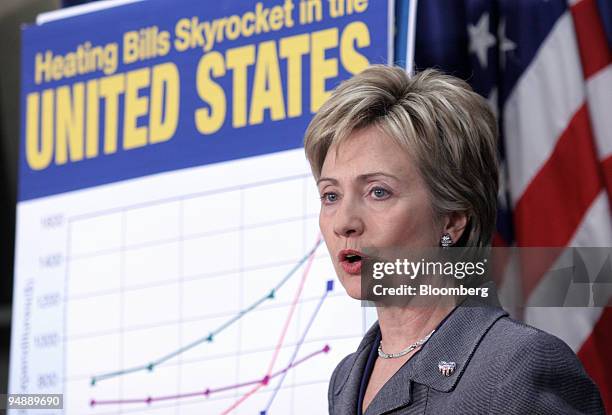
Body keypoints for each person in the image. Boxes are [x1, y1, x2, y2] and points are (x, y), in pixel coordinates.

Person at [303, 65, 604, 414]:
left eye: (378, 192)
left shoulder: (517, 366)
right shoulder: (346, 380)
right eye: (330, 196)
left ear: (452, 220)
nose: (344, 223)